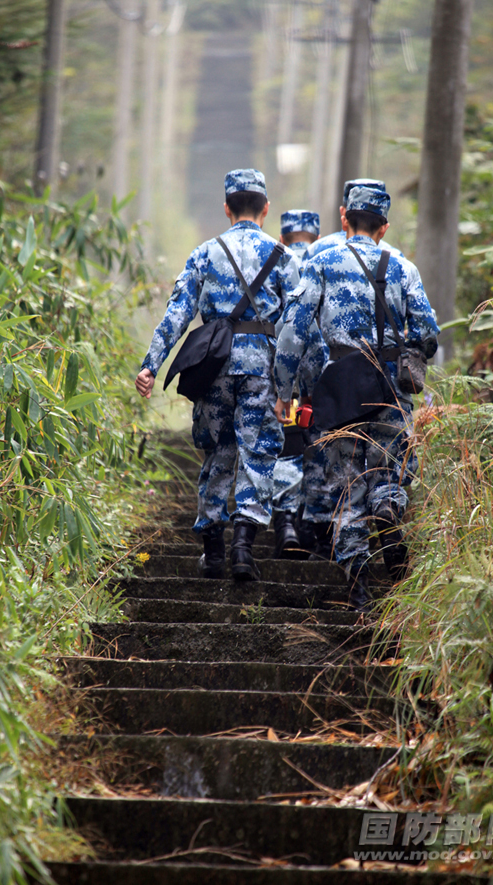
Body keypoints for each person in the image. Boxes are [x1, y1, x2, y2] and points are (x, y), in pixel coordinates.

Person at [273, 184, 439, 610]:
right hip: (390, 388)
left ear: (344, 218)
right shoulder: (402, 267)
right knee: (389, 470)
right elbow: (427, 334)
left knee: (345, 484)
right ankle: (386, 506)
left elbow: (293, 330)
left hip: (340, 386)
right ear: (384, 227)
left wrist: (285, 390)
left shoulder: (321, 261)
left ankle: (359, 588)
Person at [135, 168, 300, 582]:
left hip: (215, 367)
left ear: (227, 209)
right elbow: (298, 328)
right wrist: (293, 384)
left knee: (219, 453)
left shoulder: (205, 253)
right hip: (261, 368)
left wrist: (151, 365)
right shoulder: (284, 258)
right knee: (258, 453)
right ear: (266, 210)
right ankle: (243, 548)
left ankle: (212, 549)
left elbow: (178, 313)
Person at [271, 209, 330, 558]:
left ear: (283, 236)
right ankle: (314, 526)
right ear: (317, 235)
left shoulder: (277, 260)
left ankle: (286, 524)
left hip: (282, 368)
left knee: (286, 446)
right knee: (318, 446)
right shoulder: (325, 260)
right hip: (320, 373)